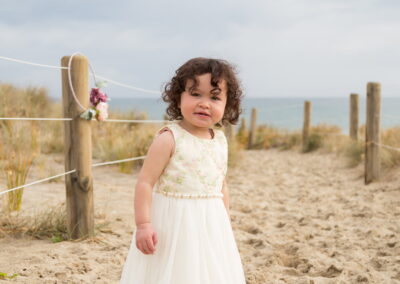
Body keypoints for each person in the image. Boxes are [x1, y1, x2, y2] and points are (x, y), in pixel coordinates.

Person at [120, 57, 246, 284]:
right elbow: (145, 182)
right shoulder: (169, 138)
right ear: (178, 98)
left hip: (210, 222)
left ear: (227, 105)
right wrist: (143, 224)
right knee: (176, 272)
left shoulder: (220, 140)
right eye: (195, 94)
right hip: (173, 224)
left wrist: (224, 222)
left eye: (215, 97)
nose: (204, 103)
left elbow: (221, 185)